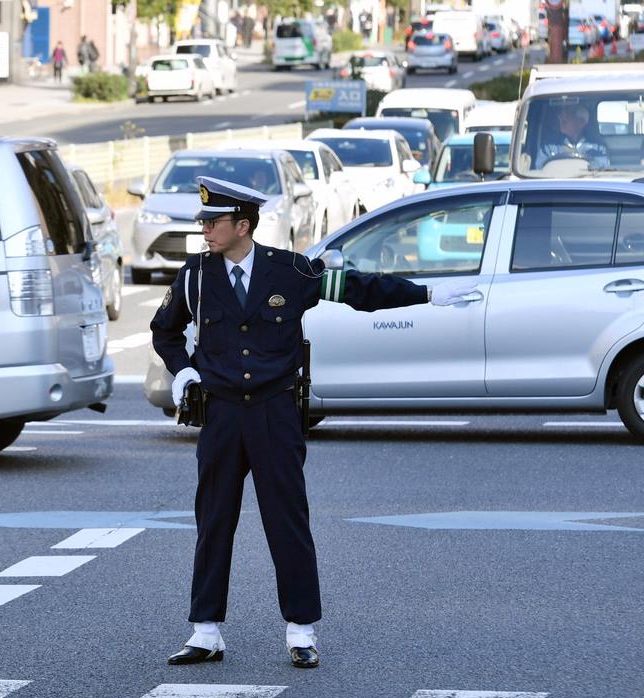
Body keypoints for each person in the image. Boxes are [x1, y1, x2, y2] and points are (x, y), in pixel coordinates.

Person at [151, 176, 475, 670]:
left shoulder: (290, 271)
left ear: (243, 225)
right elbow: (165, 332)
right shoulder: (195, 275)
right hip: (221, 414)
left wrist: (427, 293)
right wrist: (184, 371)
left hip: (274, 412)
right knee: (213, 521)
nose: (204, 230)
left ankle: (301, 631)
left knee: (288, 521)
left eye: (213, 221)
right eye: (203, 221)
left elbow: (360, 289)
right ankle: (205, 631)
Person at [536, 102, 609, 170]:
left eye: (567, 113)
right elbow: (540, 169)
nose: (561, 117)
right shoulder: (549, 147)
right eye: (561, 114)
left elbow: (602, 170)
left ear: (581, 121)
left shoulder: (598, 148)